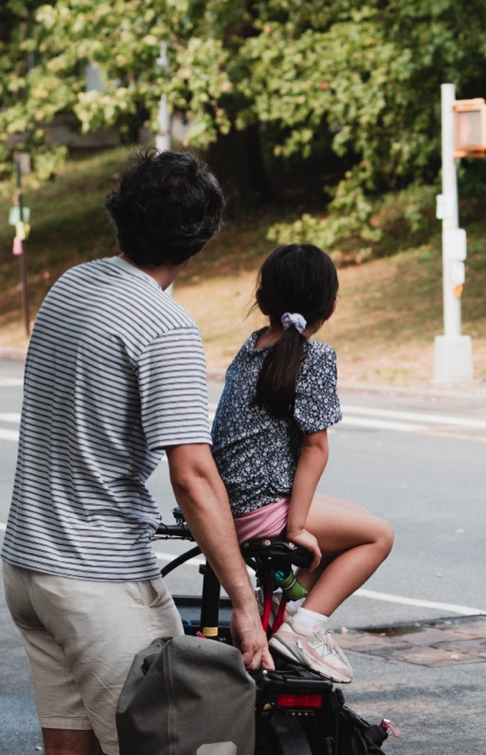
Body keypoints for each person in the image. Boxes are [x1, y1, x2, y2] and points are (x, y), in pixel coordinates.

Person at [1, 149, 273, 755]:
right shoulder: (163, 325)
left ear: (121, 216)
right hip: (97, 578)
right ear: (199, 239)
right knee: (177, 738)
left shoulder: (71, 284)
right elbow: (194, 477)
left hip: (27, 567)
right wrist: (246, 608)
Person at [210, 243, 395, 684]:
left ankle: (287, 616)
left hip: (230, 502)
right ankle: (305, 629)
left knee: (360, 521)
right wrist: (294, 528)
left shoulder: (252, 344)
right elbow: (315, 449)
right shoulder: (315, 357)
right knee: (378, 536)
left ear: (263, 301)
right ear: (331, 305)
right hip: (259, 508)